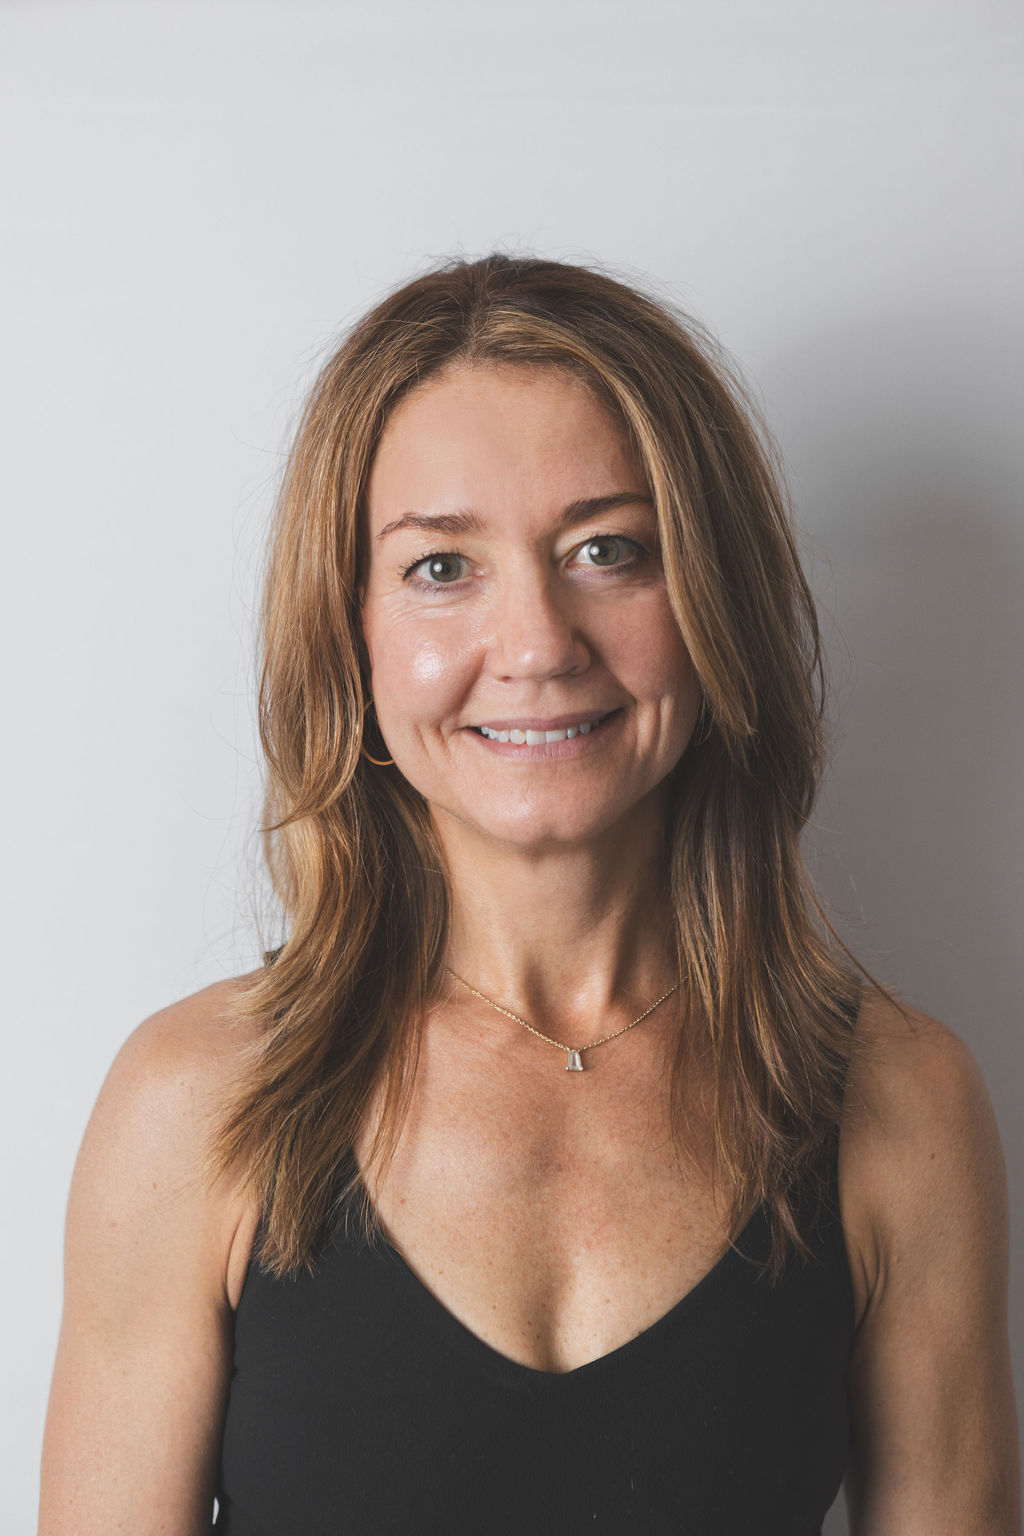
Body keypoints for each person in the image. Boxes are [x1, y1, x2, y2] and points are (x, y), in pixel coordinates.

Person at [39, 254, 1019, 1535]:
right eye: (442, 568)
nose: (539, 645)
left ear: (711, 600)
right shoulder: (197, 1106)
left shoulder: (903, 1106)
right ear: (353, 633)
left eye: (609, 550)